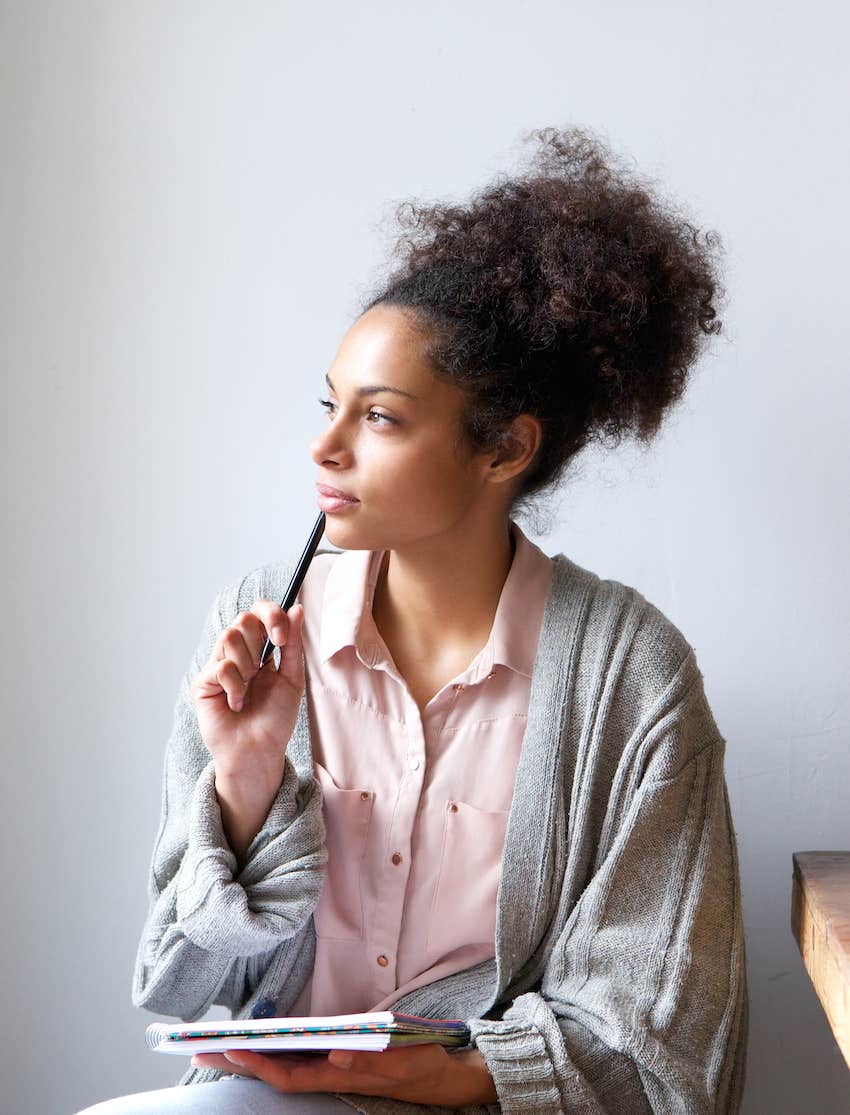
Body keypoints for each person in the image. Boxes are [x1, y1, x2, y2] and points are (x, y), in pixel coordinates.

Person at [77, 126, 747, 1114]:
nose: (326, 446)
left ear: (503, 448)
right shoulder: (261, 627)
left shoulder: (630, 674)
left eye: (380, 417)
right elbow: (180, 980)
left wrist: (460, 1072)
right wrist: (247, 779)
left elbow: (662, 1031)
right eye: (330, 404)